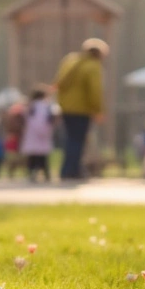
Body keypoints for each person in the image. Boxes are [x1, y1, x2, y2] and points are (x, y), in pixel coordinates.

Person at [54, 38, 108, 181]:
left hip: (66, 108)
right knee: (79, 141)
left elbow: (59, 84)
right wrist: (98, 110)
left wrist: (61, 104)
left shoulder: (70, 61)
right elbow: (95, 91)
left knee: (70, 139)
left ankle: (68, 169)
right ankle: (72, 170)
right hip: (82, 109)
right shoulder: (93, 66)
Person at [20, 89, 56, 182]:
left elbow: (25, 118)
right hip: (44, 134)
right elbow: (50, 119)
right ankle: (46, 174)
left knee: (32, 157)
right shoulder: (47, 106)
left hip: (32, 135)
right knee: (43, 157)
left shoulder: (31, 106)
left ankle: (32, 173)